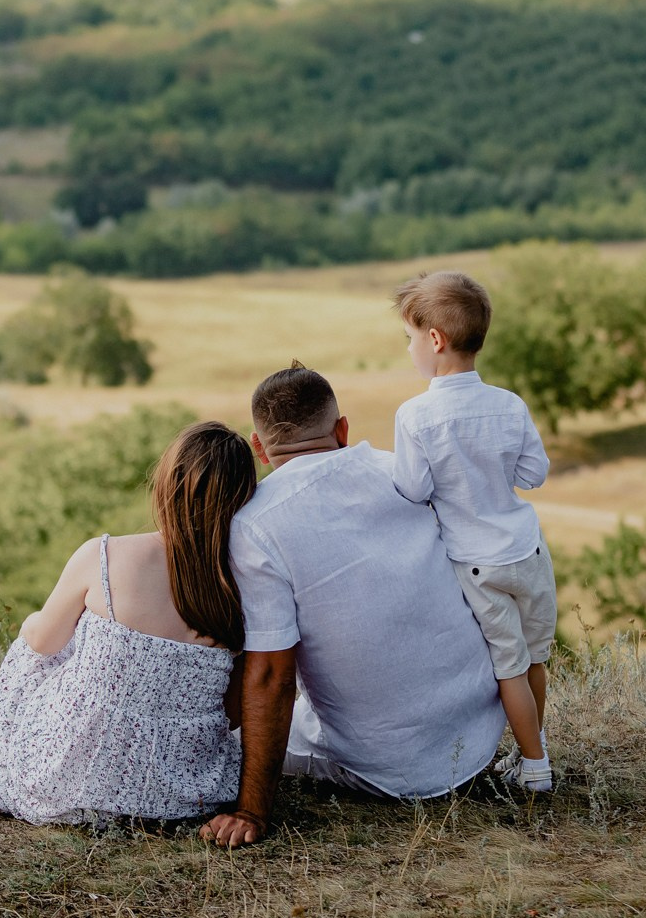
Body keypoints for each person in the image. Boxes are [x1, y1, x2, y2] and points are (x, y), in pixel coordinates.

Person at [200, 363, 504, 849]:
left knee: (223, 745)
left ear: (258, 448)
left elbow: (272, 674)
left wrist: (252, 809)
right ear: (342, 430)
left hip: (390, 767)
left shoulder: (254, 525)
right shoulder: (401, 473)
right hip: (482, 727)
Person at [0, 420, 254, 826]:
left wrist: (29, 624)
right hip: (187, 793)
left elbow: (43, 643)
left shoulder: (104, 555)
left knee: (39, 641)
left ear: (166, 484)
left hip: (71, 781)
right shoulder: (244, 587)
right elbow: (231, 714)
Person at [392, 269, 556, 793]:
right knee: (534, 658)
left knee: (507, 667)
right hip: (527, 551)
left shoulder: (415, 415)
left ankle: (533, 767)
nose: (411, 349)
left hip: (476, 562)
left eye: (410, 339)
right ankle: (536, 748)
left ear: (435, 340)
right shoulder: (509, 404)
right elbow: (533, 474)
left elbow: (413, 489)